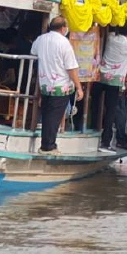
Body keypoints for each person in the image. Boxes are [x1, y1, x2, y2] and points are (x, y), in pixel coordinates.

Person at [31, 16, 83, 153]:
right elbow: (71, 68)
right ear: (63, 28)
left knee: (48, 116)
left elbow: (33, 52)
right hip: (61, 86)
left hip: (45, 85)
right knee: (53, 118)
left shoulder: (40, 39)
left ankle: (47, 144)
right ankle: (48, 146)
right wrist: (78, 87)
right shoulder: (64, 43)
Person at [95, 24, 127, 153]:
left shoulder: (111, 37)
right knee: (110, 112)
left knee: (96, 106)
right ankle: (105, 142)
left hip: (100, 77)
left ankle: (94, 130)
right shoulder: (126, 45)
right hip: (114, 81)